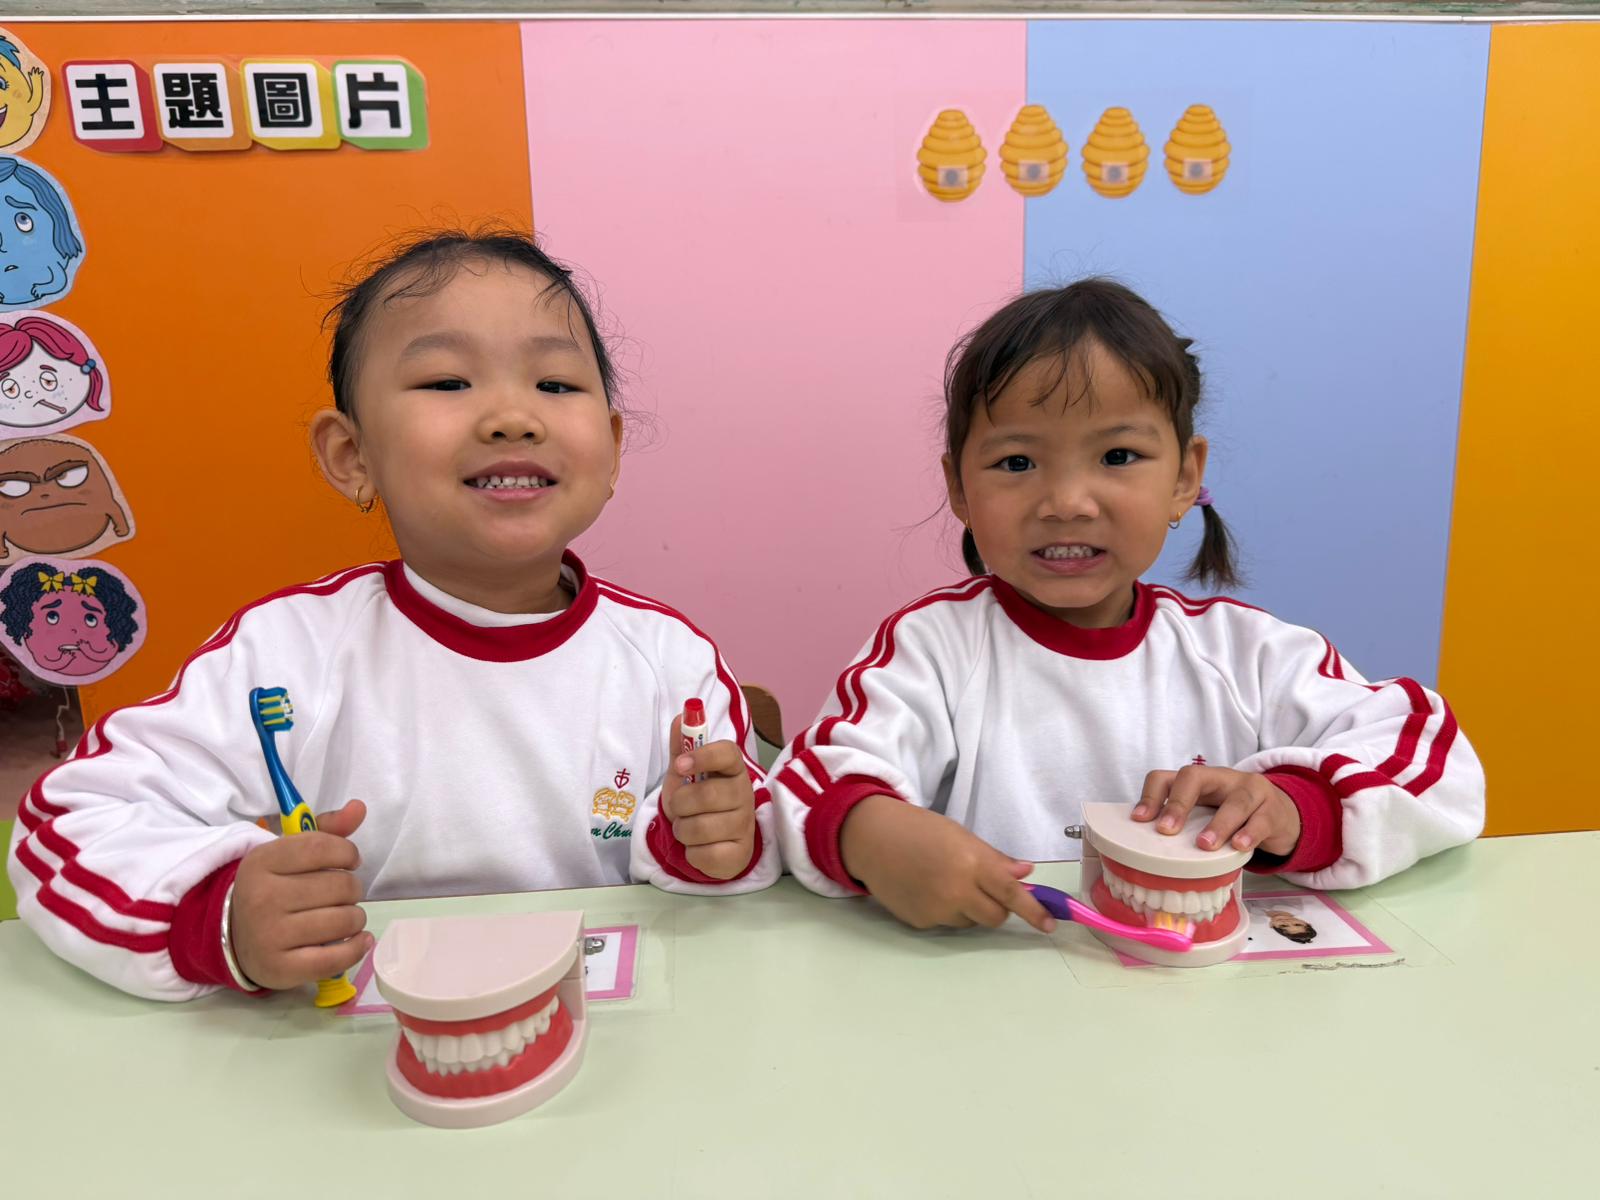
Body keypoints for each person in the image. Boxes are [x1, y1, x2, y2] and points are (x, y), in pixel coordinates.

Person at [7, 230, 777, 1001]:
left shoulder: (669, 661)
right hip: (351, 1046)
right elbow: (63, 828)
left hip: (604, 1036)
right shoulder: (285, 656)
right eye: (447, 381)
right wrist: (223, 917)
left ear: (609, 451)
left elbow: (744, 832)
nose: (513, 417)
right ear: (353, 456)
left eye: (554, 384)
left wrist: (703, 843)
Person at [768, 278, 1484, 933]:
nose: (1067, 503)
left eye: (1117, 457)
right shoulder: (932, 650)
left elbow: (1434, 760)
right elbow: (808, 780)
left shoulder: (1248, 655)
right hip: (992, 995)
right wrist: (867, 830)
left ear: (1185, 477)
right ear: (959, 488)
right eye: (1016, 463)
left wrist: (1299, 808)